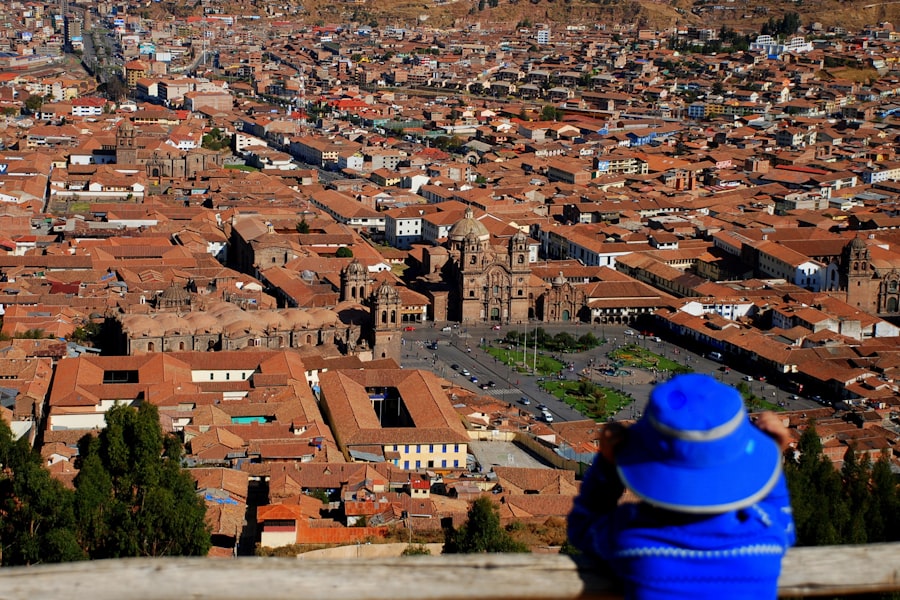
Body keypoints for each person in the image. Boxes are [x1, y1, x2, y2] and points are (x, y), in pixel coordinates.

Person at [568, 373, 795, 600]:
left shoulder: (632, 538)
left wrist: (607, 466)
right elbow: (783, 518)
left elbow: (583, 524)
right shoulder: (766, 538)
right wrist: (772, 455)